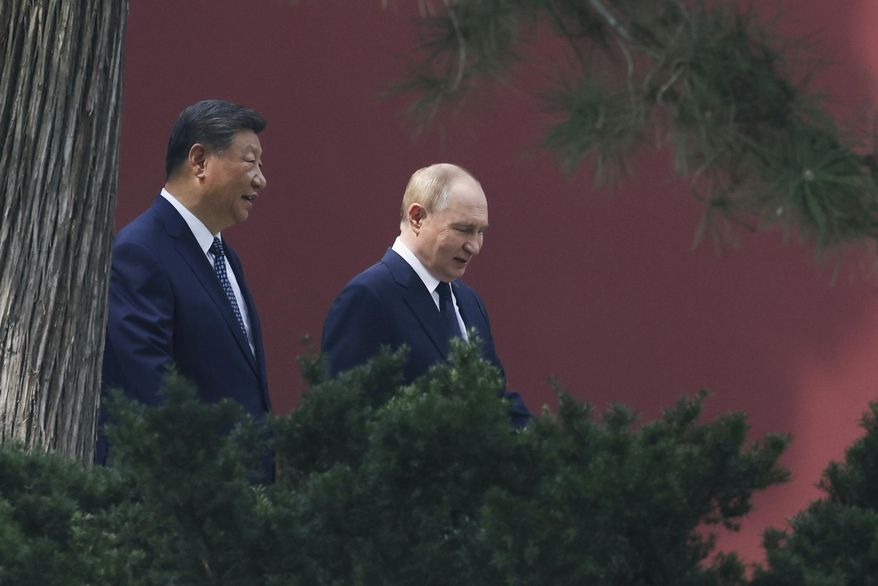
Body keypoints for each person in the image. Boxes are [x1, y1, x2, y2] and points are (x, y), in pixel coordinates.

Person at [96, 99, 271, 463]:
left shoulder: (225, 257)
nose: (260, 179)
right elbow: (149, 385)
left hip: (236, 488)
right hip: (182, 491)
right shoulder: (140, 251)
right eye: (249, 161)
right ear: (199, 161)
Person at [321, 163, 530, 427]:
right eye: (464, 229)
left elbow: (494, 398)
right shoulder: (368, 298)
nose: (474, 246)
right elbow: (348, 419)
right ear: (417, 218)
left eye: (481, 232)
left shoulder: (469, 301)